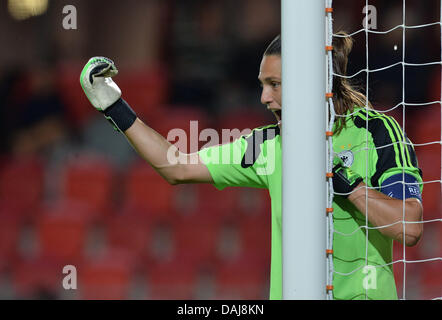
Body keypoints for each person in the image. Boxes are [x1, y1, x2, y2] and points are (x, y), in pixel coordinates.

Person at [79, 32, 423, 300]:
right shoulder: (267, 143)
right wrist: (114, 106)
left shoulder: (377, 131)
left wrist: (348, 184)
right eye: (262, 85)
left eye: (274, 85)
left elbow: (408, 228)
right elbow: (176, 166)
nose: (264, 98)